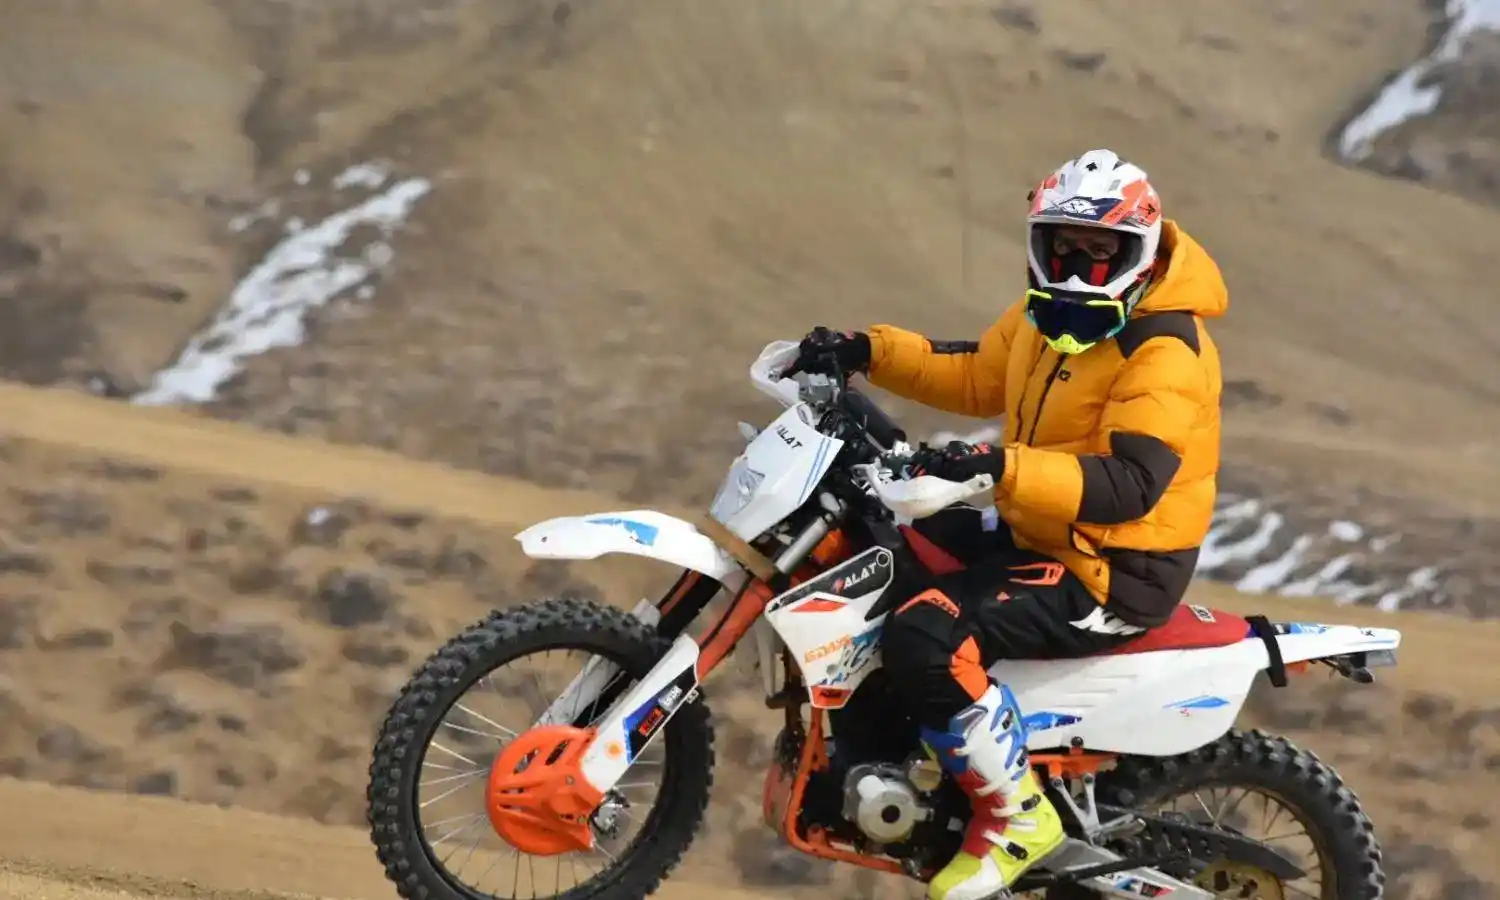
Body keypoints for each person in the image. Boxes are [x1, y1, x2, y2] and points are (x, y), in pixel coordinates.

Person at [789, 148, 1227, 900]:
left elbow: (1130, 485)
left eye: (1099, 253)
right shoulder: (1049, 318)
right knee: (881, 553)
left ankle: (1018, 816)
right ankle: (899, 758)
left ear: (1140, 251)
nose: (1077, 268)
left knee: (926, 634)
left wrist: (999, 467)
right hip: (1042, 530)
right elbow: (975, 374)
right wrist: (868, 351)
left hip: (1113, 567)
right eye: (1063, 248)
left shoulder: (1163, 348)